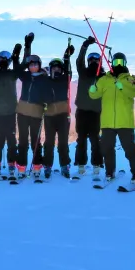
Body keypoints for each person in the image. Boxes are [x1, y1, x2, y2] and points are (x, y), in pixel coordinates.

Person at [88, 53, 135, 183]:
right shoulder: (104, 79)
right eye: (116, 61)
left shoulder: (130, 78)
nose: (118, 64)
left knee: (129, 149)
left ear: (125, 63)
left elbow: (134, 92)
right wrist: (93, 86)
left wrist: (121, 86)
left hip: (124, 121)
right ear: (112, 63)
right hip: (107, 122)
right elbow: (94, 95)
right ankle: (109, 172)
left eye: (121, 62)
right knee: (107, 149)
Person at [16, 33, 51, 180]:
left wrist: (45, 105)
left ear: (40, 65)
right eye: (31, 65)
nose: (33, 67)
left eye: (35, 64)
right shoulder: (25, 76)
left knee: (35, 141)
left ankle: (37, 166)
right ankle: (22, 167)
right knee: (23, 141)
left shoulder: (45, 79)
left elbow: (49, 96)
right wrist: (27, 46)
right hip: (23, 112)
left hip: (36, 113)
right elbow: (19, 68)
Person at [0, 45, 22, 178]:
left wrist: (16, 56)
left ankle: (12, 163)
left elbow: (19, 69)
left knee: (12, 139)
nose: (2, 61)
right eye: (0, 58)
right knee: (0, 138)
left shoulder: (12, 74)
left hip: (11, 112)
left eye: (4, 59)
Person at [41, 46, 75, 179]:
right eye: (53, 67)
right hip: (49, 116)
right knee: (49, 142)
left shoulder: (64, 80)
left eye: (58, 67)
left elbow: (69, 72)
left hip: (63, 116)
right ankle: (47, 165)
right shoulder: (46, 81)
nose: (56, 69)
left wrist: (66, 58)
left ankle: (64, 165)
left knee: (62, 142)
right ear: (50, 69)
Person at [74, 37, 104, 177]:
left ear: (100, 62)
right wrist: (85, 46)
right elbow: (78, 61)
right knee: (81, 139)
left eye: (96, 60)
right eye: (91, 60)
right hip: (82, 111)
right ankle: (81, 164)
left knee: (95, 139)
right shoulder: (83, 73)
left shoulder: (104, 77)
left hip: (96, 113)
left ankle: (97, 164)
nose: (93, 61)